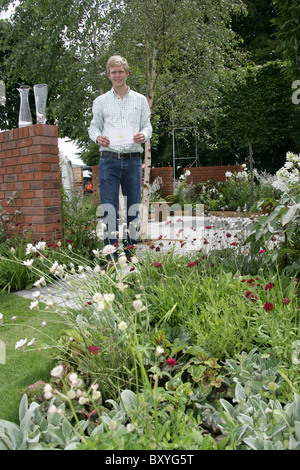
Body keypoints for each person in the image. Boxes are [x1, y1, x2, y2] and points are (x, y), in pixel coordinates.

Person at [88, 55, 152, 262]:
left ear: (127, 73)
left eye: (120, 71)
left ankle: (131, 253)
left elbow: (147, 125)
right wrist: (97, 137)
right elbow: (94, 127)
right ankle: (111, 256)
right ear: (109, 75)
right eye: (113, 72)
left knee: (133, 208)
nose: (117, 75)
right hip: (109, 160)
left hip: (133, 160)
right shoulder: (100, 102)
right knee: (109, 209)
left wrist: (144, 135)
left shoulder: (140, 100)